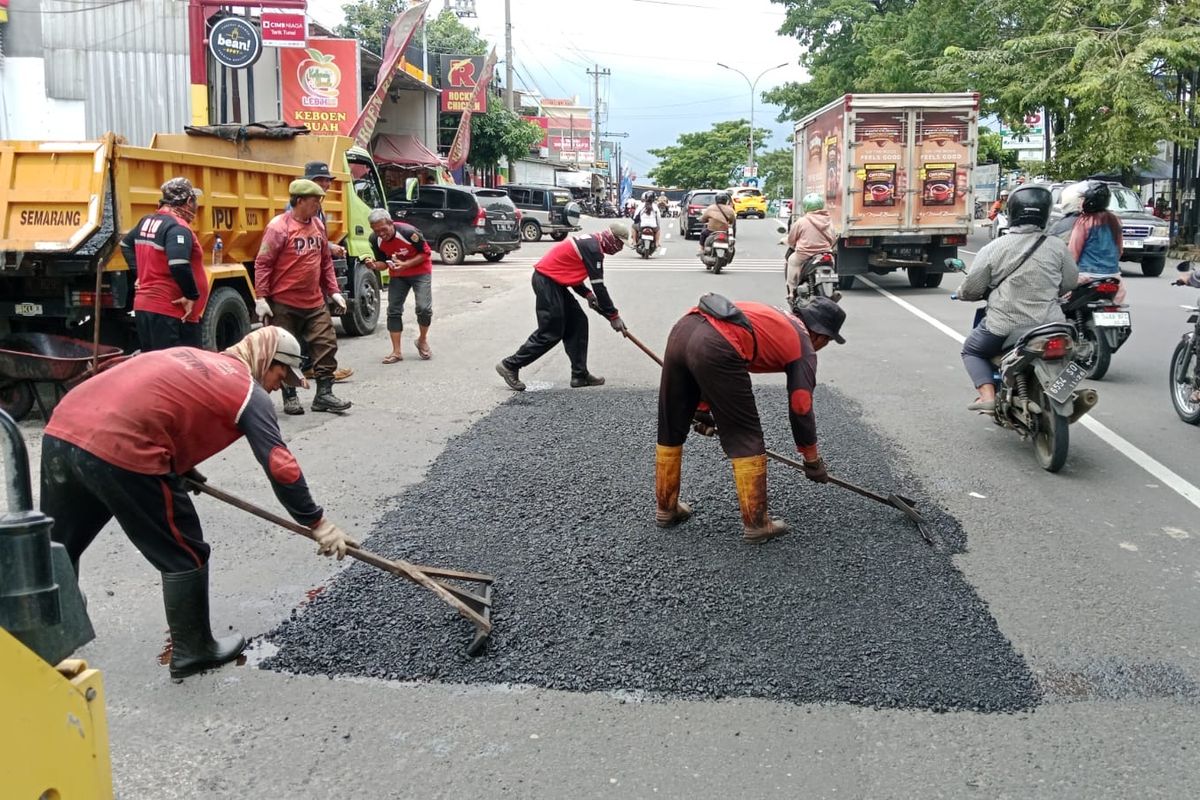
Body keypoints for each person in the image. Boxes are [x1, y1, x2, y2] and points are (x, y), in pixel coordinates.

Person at [40, 327, 356, 680]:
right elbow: (280, 465)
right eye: (282, 374)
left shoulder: (200, 359)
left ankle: (47, 630)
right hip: (121, 445)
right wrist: (317, 523)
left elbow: (162, 402)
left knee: (58, 543)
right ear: (266, 358)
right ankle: (194, 650)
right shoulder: (249, 392)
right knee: (184, 550)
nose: (280, 385)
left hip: (64, 428)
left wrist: (184, 466)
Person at [655, 295, 846, 544]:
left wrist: (701, 409)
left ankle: (666, 508)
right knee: (746, 435)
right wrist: (811, 459)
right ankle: (757, 523)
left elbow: (705, 369)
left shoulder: (779, 318)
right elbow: (801, 405)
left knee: (672, 423)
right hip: (717, 343)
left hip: (684, 329)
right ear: (821, 336)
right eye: (828, 342)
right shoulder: (804, 346)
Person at [956, 184, 1078, 412]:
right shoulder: (1057, 247)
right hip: (1052, 325)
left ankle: (987, 396)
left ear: (1012, 212)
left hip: (1004, 327)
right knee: (1071, 353)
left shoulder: (994, 248)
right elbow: (1070, 283)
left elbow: (972, 288)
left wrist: (964, 294)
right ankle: (1065, 390)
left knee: (971, 351)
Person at [254, 179, 351, 415]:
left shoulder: (318, 225)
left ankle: (324, 395)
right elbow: (263, 263)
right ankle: (290, 396)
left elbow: (325, 261)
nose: (318, 205)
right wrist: (261, 298)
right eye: (314, 200)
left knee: (326, 343)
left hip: (315, 300)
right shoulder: (278, 227)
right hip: (284, 302)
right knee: (286, 350)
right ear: (299, 201)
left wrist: (334, 290)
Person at [495, 223, 630, 391]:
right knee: (551, 331)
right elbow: (600, 288)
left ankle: (579, 375)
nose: (620, 248)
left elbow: (568, 269)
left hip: (554, 281)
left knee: (578, 322)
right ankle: (510, 365)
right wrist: (614, 316)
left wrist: (586, 294)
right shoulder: (594, 249)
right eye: (620, 244)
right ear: (612, 239)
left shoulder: (593, 243)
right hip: (546, 281)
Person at [119, 177, 207, 351]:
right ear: (189, 201)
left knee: (155, 366)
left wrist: (140, 274)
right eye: (195, 201)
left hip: (146, 308)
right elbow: (178, 264)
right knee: (179, 370)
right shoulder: (177, 227)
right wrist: (191, 295)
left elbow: (125, 244)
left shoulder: (147, 222)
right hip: (170, 313)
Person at [364, 209, 434, 363]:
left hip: (420, 272)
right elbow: (383, 263)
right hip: (398, 275)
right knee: (393, 310)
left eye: (384, 229)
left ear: (391, 223)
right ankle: (396, 352)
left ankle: (422, 340)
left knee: (424, 308)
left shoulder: (409, 232)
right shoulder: (375, 239)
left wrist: (406, 264)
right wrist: (374, 265)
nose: (381, 234)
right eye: (377, 231)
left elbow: (426, 254)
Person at [1048, 180, 1125, 302]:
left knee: (1058, 301)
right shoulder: (1115, 220)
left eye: (1082, 198)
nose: (1080, 201)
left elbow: (1073, 253)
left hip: (1086, 277)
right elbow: (1120, 250)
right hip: (1113, 277)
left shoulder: (1084, 221)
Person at [785, 192, 837, 301]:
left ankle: (791, 291)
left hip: (804, 254)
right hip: (825, 253)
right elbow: (832, 238)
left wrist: (791, 243)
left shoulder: (802, 221)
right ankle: (834, 288)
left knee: (791, 260)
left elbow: (791, 239)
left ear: (806, 207)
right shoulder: (828, 221)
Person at [299, 161, 346, 259]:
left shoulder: (318, 205)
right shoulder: (300, 206)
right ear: (309, 182)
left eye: (327, 180)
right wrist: (330, 247)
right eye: (320, 180)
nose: (325, 184)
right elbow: (302, 237)